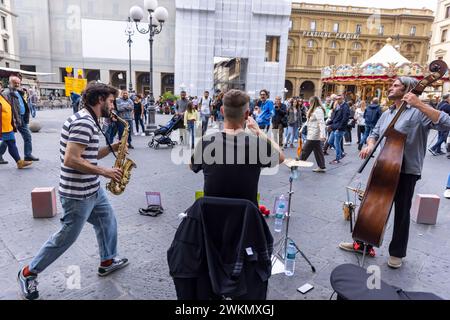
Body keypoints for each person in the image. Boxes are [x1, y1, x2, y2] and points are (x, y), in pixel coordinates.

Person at [17, 82, 129, 300]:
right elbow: (71, 159)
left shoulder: (88, 119)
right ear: (100, 100)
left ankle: (107, 260)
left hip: (93, 189)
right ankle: (28, 273)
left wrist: (113, 148)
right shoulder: (84, 122)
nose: (113, 105)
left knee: (107, 220)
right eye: (111, 101)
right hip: (78, 194)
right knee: (65, 238)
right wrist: (105, 172)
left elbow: (89, 154)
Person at [339, 77, 450, 269]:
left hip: (407, 169)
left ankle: (397, 253)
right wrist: (370, 144)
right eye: (392, 85)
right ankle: (362, 244)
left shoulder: (418, 112)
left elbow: (446, 123)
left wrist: (420, 104)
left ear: (407, 89)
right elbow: (374, 133)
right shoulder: (387, 113)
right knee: (372, 206)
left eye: (396, 85)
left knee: (401, 212)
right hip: (384, 166)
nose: (391, 88)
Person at [191, 89, 285, 207]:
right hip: (246, 218)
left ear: (222, 111)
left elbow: (191, 165)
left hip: (211, 218)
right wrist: (259, 131)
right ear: (247, 114)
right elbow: (281, 157)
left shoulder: (206, 142)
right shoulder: (257, 144)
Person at [0, 75, 39, 164]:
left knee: (23, 137)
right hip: (13, 119)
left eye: (18, 83)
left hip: (21, 118)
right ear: (10, 83)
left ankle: (27, 155)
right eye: (15, 83)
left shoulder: (19, 92)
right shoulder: (6, 93)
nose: (17, 84)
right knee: (9, 140)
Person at [0, 92, 33, 168]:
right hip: (2, 127)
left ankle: (19, 162)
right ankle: (19, 162)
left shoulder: (2, 97)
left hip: (8, 126)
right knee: (11, 143)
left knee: (11, 143)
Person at [298, 96, 327, 173]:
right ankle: (322, 166)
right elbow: (308, 121)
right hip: (312, 132)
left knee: (305, 149)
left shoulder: (318, 110)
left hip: (314, 133)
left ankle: (297, 163)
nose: (309, 104)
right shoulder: (313, 110)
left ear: (313, 102)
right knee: (318, 151)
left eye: (310, 102)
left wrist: (323, 135)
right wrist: (301, 129)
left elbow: (321, 123)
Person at [328, 94, 350, 165]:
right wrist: (330, 122)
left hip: (339, 128)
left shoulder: (345, 106)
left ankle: (337, 159)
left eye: (339, 99)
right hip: (335, 127)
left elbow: (345, 119)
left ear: (342, 99)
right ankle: (341, 153)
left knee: (336, 143)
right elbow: (335, 116)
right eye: (337, 99)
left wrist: (339, 128)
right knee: (330, 142)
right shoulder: (338, 106)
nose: (338, 100)